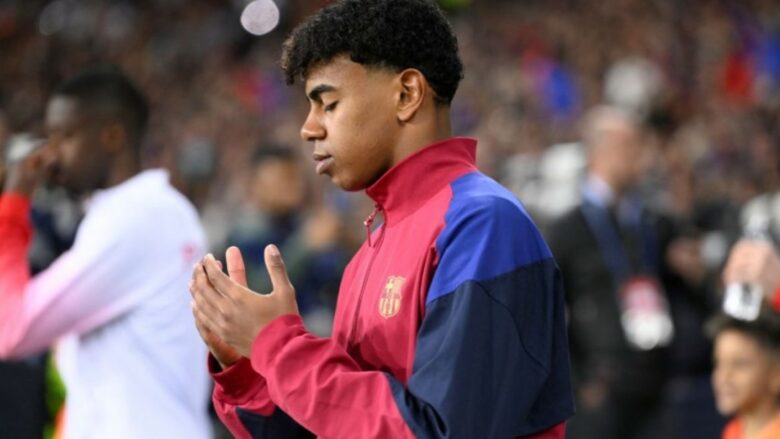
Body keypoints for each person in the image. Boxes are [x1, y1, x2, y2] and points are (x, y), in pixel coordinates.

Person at [188, 0, 574, 437]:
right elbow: (337, 424)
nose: (308, 128)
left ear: (407, 94)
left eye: (328, 104)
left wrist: (277, 347)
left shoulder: (483, 225)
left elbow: (442, 431)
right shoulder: (370, 250)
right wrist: (249, 369)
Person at [0, 67, 212, 438]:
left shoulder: (134, 217)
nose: (52, 153)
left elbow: (12, 329)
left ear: (112, 136)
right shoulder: (156, 209)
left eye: (65, 135)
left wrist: (13, 205)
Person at [547, 105, 702, 439]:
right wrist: (579, 380)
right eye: (628, 146)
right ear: (598, 152)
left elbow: (686, 292)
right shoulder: (567, 231)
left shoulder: (655, 224)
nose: (639, 157)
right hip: (601, 391)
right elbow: (549, 313)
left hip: (655, 383)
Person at [710, 312, 780, 439]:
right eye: (718, 363)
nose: (724, 376)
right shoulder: (732, 431)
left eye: (739, 364)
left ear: (776, 374)